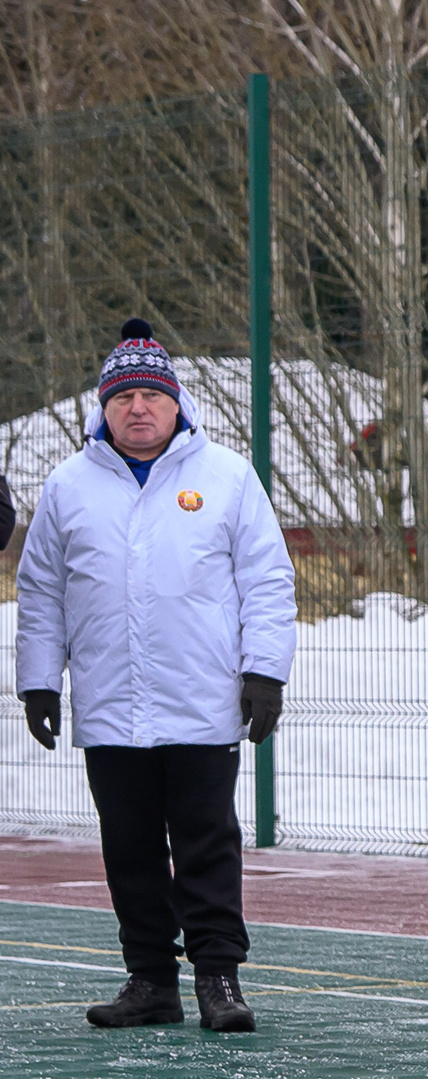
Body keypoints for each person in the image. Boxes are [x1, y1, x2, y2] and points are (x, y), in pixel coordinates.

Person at [14, 319, 295, 1031]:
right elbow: (41, 591)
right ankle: (149, 981)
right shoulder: (67, 487)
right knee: (129, 847)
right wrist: (39, 680)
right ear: (102, 408)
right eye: (123, 397)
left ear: (177, 404)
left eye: (150, 395)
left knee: (206, 843)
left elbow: (267, 581)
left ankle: (218, 980)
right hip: (111, 708)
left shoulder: (228, 477)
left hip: (201, 705)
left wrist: (265, 671)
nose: (137, 408)